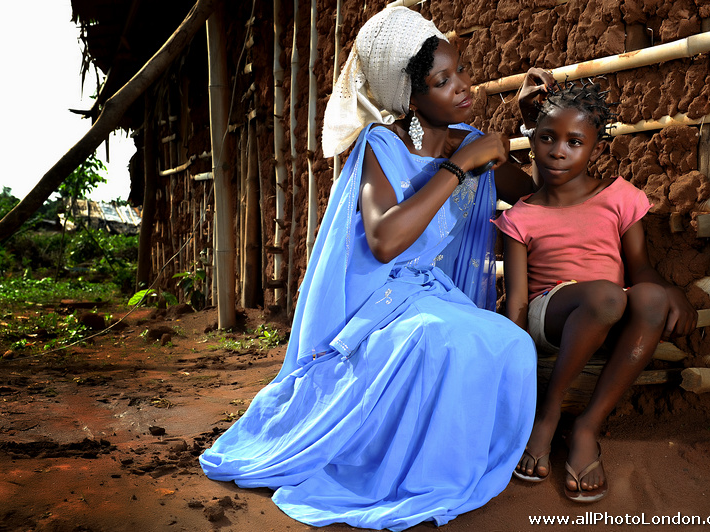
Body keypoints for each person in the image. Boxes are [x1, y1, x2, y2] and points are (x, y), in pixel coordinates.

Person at [199, 6, 550, 531]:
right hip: (375, 307)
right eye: (442, 81)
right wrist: (459, 169)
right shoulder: (381, 145)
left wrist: (530, 124)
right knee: (437, 339)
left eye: (460, 73)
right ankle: (396, 474)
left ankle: (449, 469)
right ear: (408, 98)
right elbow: (385, 240)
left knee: (510, 344)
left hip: (428, 294)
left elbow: (536, 192)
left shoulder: (467, 139)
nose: (462, 87)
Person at [494, 80, 698, 502]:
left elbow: (640, 267)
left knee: (646, 297)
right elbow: (516, 302)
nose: (558, 150)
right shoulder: (521, 216)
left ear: (596, 149)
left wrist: (669, 289)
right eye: (547, 137)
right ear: (532, 139)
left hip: (612, 311)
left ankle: (588, 425)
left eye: (574, 141)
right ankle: (547, 415)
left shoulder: (619, 196)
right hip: (550, 315)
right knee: (607, 295)